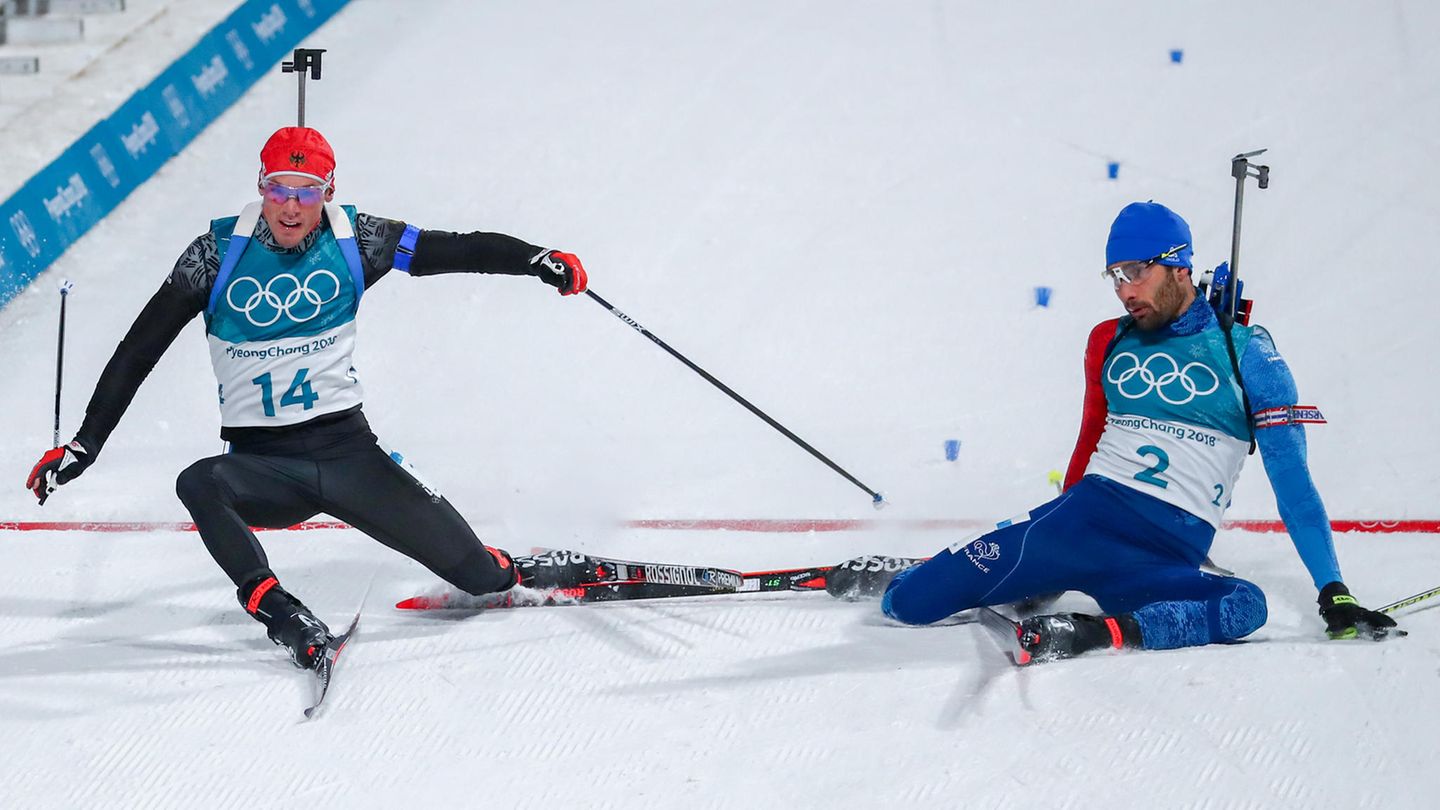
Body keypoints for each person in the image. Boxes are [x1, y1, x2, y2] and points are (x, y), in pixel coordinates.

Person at [25, 127, 590, 669]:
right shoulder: (214, 255)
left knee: (478, 577)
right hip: (262, 468)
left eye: (307, 193)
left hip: (351, 458)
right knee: (199, 481)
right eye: (278, 190)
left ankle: (517, 570)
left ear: (329, 193)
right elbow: (137, 350)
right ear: (261, 188)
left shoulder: (358, 240)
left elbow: (455, 249)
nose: (291, 208)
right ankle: (283, 615)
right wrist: (83, 446)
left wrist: (536, 259)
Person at [831, 201, 1399, 663]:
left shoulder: (1249, 355)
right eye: (1114, 276)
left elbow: (1293, 483)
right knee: (907, 604)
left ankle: (1094, 632)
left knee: (1245, 606)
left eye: (1135, 272)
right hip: (1079, 521)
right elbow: (1089, 437)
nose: (1124, 290)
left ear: (1179, 266)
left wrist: (1334, 591)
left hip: (1162, 552)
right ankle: (934, 568)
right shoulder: (1108, 338)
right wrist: (1053, 519)